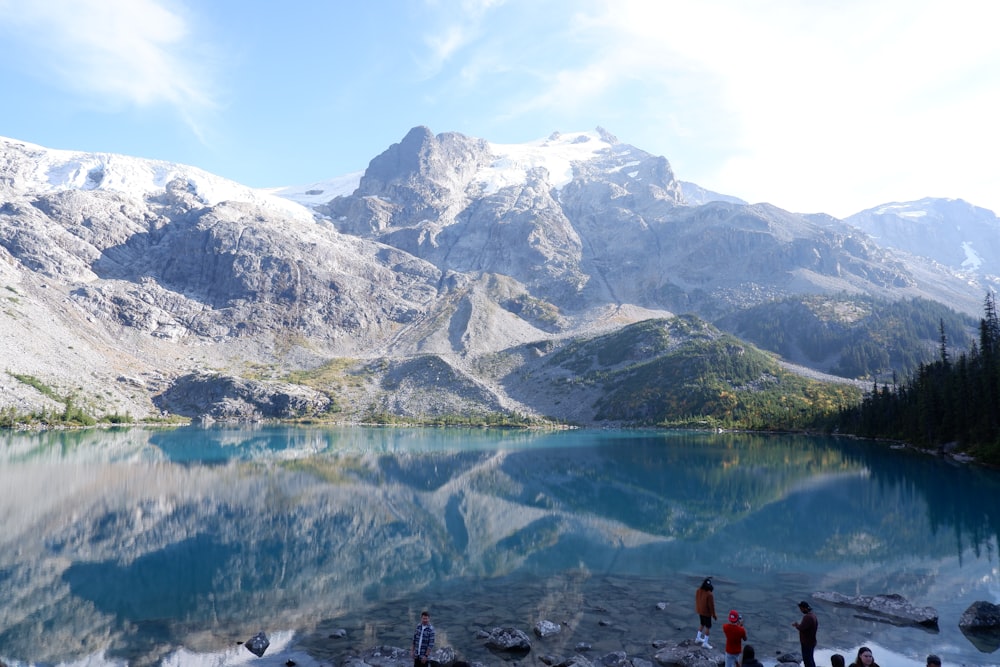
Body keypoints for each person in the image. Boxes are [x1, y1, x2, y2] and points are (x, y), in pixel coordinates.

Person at [792, 600, 818, 667]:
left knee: (807, 660)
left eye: (801, 609)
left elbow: (802, 628)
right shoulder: (813, 616)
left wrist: (796, 625)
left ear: (805, 608)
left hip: (807, 642)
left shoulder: (807, 617)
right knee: (810, 658)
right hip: (812, 641)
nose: (801, 610)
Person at [695, 577, 718, 649]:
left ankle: (698, 638)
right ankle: (705, 643)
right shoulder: (709, 594)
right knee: (708, 627)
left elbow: (697, 600)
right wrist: (714, 615)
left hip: (700, 611)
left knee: (702, 624)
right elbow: (711, 606)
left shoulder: (698, 590)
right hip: (706, 613)